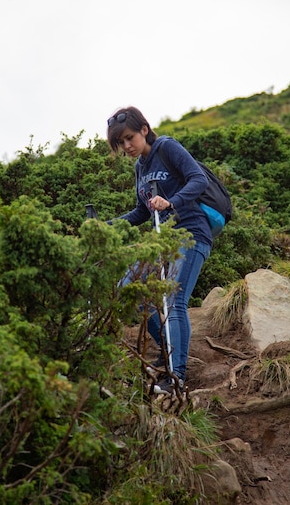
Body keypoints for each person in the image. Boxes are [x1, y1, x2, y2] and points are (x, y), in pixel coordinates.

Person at [106, 106, 213, 395]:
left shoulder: (166, 147)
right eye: (121, 143)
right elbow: (142, 211)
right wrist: (108, 226)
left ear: (144, 129)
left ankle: (176, 378)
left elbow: (198, 179)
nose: (127, 146)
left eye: (130, 138)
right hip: (163, 241)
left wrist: (171, 202)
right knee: (128, 289)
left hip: (191, 234)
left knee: (173, 301)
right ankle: (168, 351)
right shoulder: (140, 167)